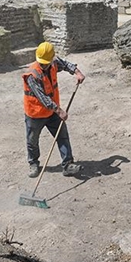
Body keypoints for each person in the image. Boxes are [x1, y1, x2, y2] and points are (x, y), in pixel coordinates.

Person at [23, 41, 85, 178]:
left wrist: (77, 72)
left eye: (47, 62)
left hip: (52, 112)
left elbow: (66, 64)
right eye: (42, 62)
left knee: (62, 136)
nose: (44, 65)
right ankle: (33, 163)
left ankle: (67, 165)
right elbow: (43, 97)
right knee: (32, 141)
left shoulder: (53, 63)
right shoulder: (32, 75)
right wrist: (60, 111)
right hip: (35, 114)